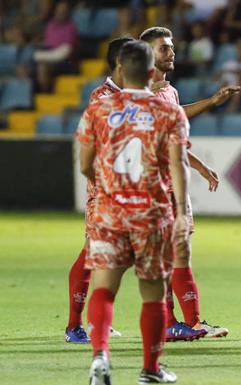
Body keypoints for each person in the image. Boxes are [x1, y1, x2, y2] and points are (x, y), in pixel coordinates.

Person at [77, 39, 188, 385]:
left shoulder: (98, 109)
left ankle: (100, 357)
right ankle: (150, 370)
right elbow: (178, 164)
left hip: (110, 212)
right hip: (151, 214)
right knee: (153, 293)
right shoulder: (169, 112)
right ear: (152, 71)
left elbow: (84, 164)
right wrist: (182, 212)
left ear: (120, 70)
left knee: (104, 289)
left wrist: (109, 185)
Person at [140, 26, 240, 342]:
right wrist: (210, 103)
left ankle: (176, 323)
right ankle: (184, 323)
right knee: (173, 255)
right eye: (163, 48)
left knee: (175, 254)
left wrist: (199, 166)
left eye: (171, 47)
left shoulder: (168, 90)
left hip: (173, 181)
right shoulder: (139, 94)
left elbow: (175, 130)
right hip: (154, 185)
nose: (171, 52)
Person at [65, 37, 133, 344]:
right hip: (105, 187)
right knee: (93, 252)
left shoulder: (129, 93)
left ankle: (96, 321)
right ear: (121, 63)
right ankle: (73, 326)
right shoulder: (102, 95)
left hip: (127, 189)